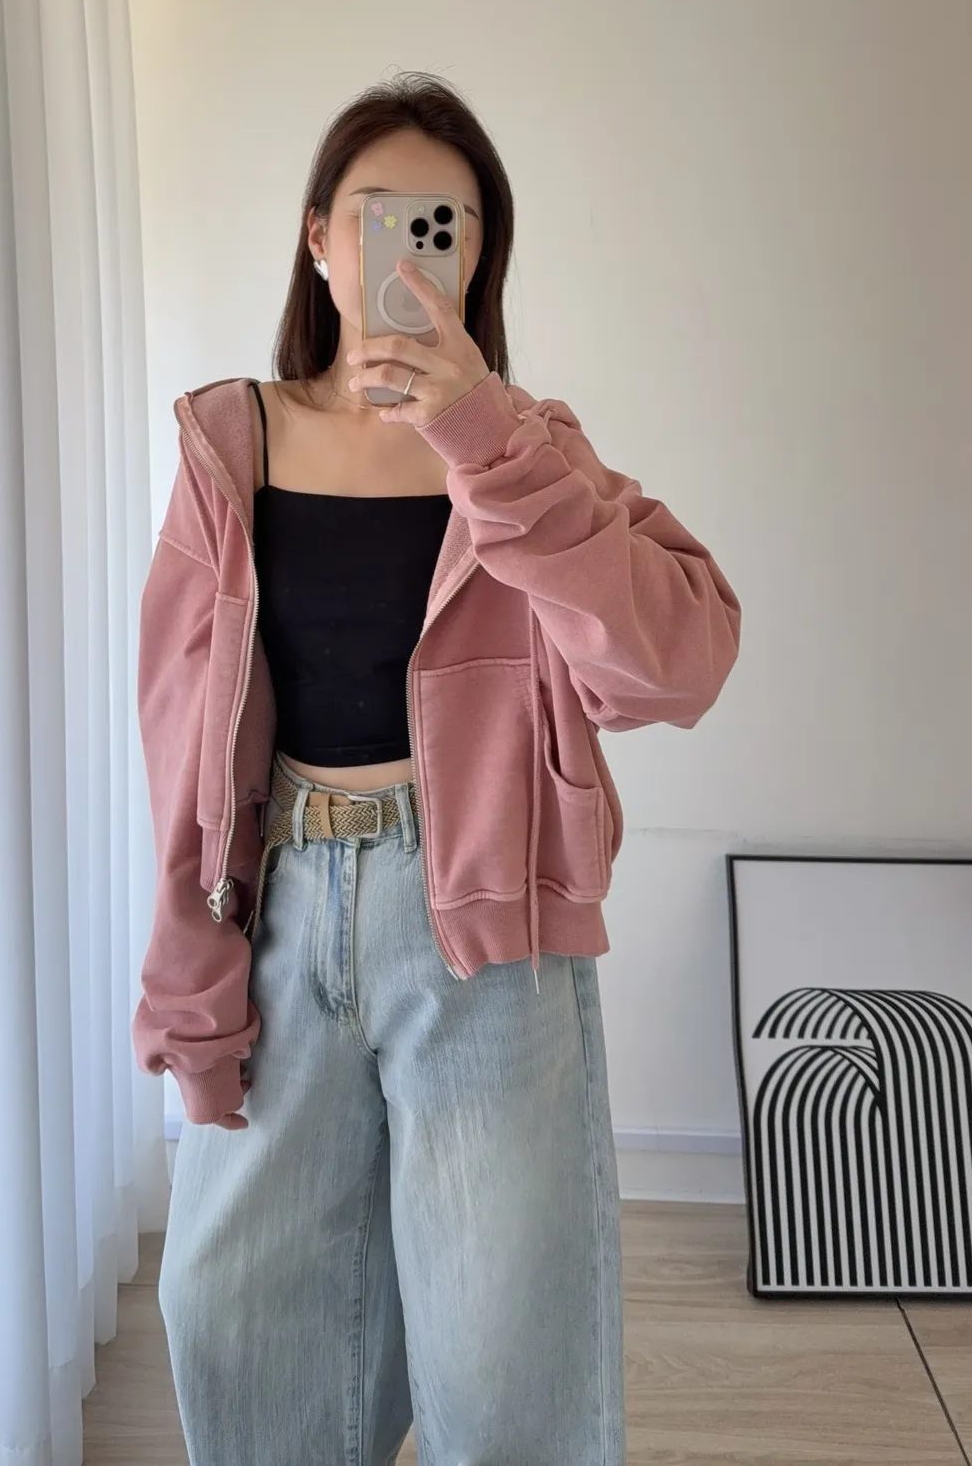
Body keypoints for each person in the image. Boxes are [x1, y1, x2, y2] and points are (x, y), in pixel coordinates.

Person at [133, 72, 741, 1466]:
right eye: (382, 215)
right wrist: (185, 978)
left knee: (504, 1360)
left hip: (486, 923)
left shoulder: (527, 451)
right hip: (280, 912)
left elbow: (681, 663)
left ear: (478, 260)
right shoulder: (232, 445)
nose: (413, 250)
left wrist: (484, 442)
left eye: (447, 227)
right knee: (233, 1320)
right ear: (319, 241)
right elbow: (178, 740)